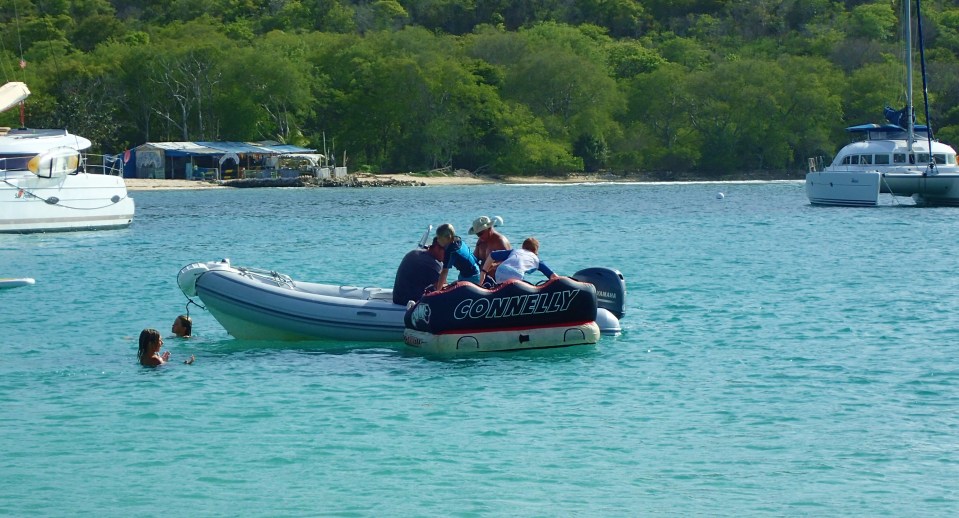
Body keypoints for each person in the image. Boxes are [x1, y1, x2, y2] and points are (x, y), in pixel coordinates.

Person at [479, 237, 558, 286]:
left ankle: (489, 284)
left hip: (500, 271)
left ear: (522, 247)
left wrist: (483, 272)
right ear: (536, 251)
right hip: (516, 275)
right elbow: (554, 277)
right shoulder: (537, 260)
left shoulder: (515, 251)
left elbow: (492, 255)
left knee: (500, 286)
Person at [392, 238, 445, 305]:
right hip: (407, 303)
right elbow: (442, 290)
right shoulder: (432, 264)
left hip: (397, 298)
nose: (448, 255)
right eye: (447, 251)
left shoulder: (414, 253)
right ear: (437, 248)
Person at [434, 223, 481, 290]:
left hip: (472, 277)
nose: (437, 240)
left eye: (439, 238)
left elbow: (444, 272)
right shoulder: (458, 240)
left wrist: (438, 291)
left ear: (448, 238)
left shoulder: (451, 251)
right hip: (474, 270)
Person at [469, 215, 511, 282]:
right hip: (482, 280)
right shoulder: (480, 241)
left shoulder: (500, 241)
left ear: (489, 228)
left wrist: (493, 265)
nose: (479, 236)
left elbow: (510, 262)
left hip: (498, 281)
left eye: (481, 233)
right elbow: (474, 259)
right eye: (477, 234)